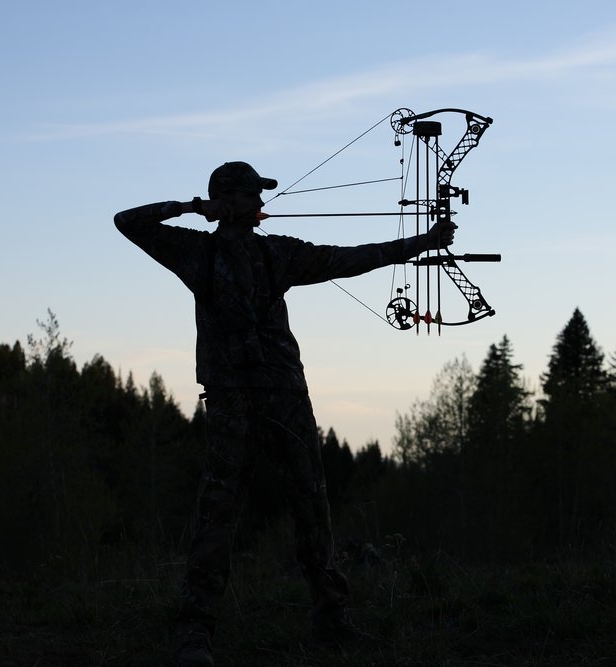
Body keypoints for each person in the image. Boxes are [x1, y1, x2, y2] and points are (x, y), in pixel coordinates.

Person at [113, 161, 455, 666]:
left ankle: (331, 621)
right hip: (231, 396)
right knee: (218, 511)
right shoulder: (196, 250)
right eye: (251, 194)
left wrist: (421, 243)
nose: (261, 202)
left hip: (285, 395)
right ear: (228, 200)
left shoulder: (279, 252)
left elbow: (349, 258)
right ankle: (195, 632)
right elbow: (127, 221)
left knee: (311, 506)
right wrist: (191, 207)